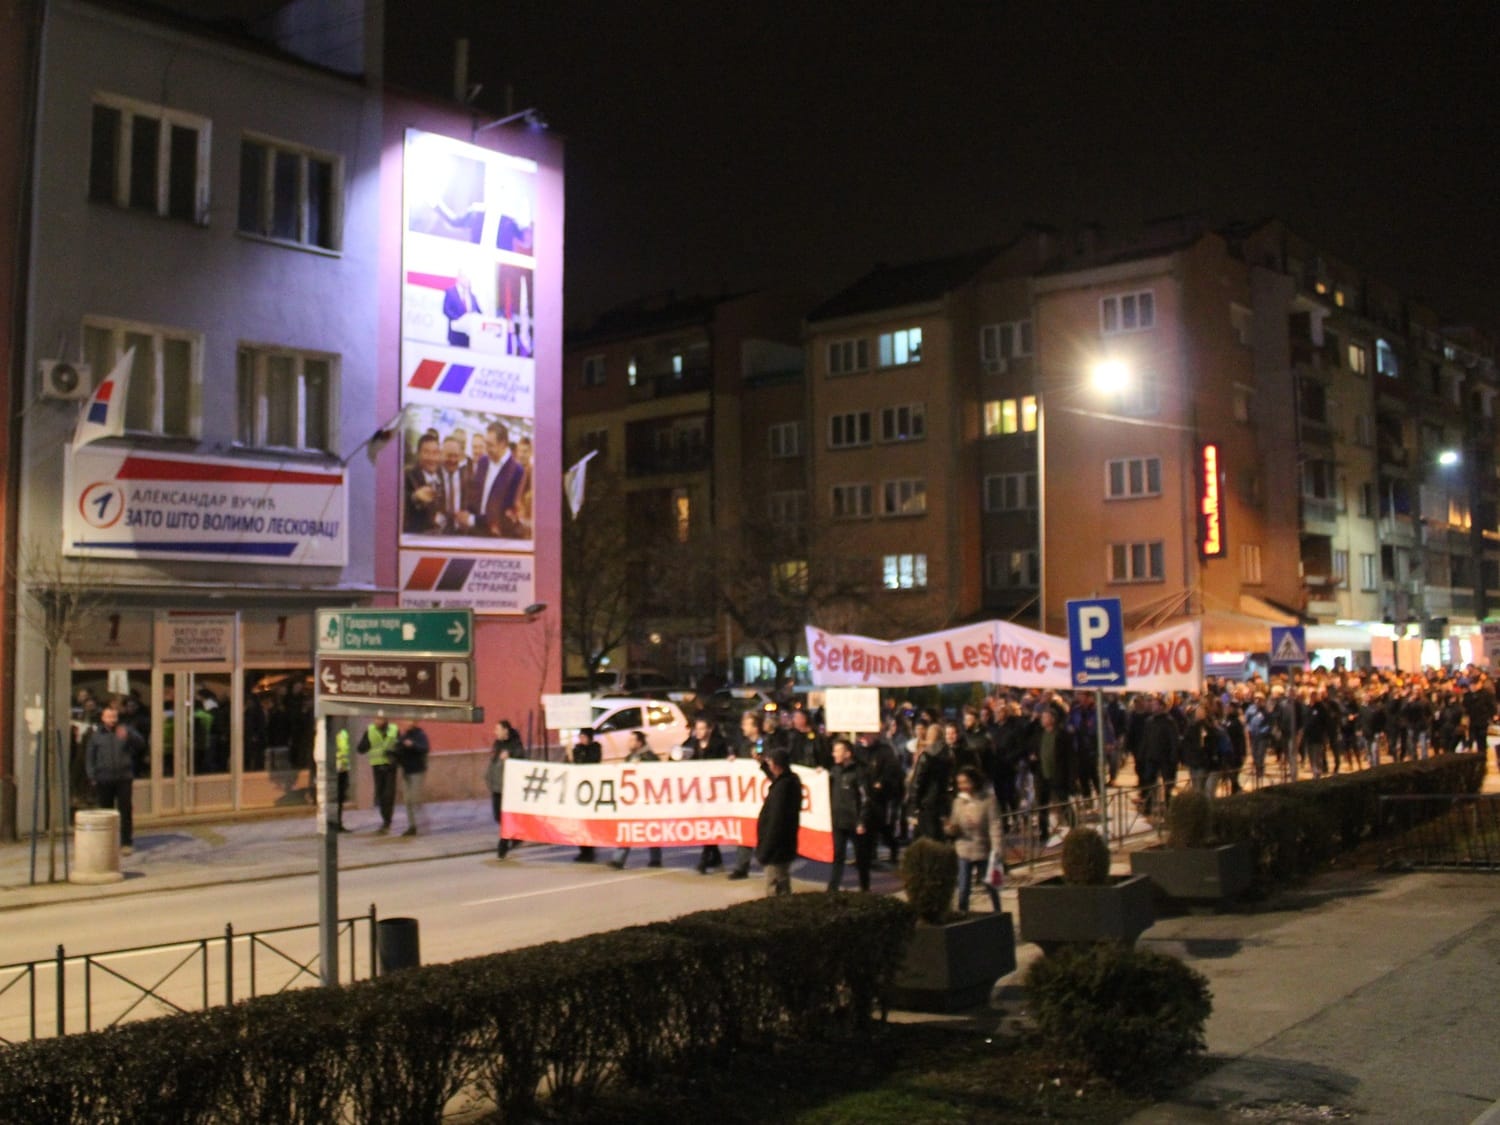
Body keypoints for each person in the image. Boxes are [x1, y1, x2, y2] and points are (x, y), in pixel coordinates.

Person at [85, 705, 144, 854]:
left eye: (114, 717)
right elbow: (90, 757)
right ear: (103, 718)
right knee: (106, 811)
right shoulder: (96, 735)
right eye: (109, 717)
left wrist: (129, 736)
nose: (112, 720)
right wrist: (92, 776)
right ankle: (108, 842)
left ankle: (126, 842)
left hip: (124, 777)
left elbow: (141, 744)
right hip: (104, 778)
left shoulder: (125, 730)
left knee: (125, 810)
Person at [944, 767, 1004, 913]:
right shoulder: (958, 802)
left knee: (990, 884)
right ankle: (962, 912)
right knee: (964, 887)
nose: (963, 786)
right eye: (960, 783)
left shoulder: (988, 800)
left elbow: (995, 825)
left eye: (966, 782)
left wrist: (997, 849)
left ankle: (998, 911)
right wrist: (950, 828)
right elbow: (954, 824)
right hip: (963, 849)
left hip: (982, 848)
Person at [681, 715, 729, 873]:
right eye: (697, 728)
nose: (699, 732)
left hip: (714, 792)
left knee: (710, 822)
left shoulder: (719, 745)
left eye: (702, 728)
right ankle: (716, 857)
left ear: (709, 729)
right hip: (698, 790)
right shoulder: (692, 744)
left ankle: (704, 860)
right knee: (704, 823)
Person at [461, 421, 526, 538]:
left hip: (498, 536)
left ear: (502, 444)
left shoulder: (516, 471)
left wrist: (473, 520)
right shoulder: (483, 462)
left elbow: (507, 512)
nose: (486, 449)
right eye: (486, 444)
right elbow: (476, 495)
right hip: (474, 532)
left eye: (490, 445)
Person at [609, 732, 663, 869]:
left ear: (639, 743)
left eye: (632, 740)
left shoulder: (650, 757)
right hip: (632, 800)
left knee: (651, 828)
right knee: (628, 827)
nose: (629, 743)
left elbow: (658, 773)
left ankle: (655, 858)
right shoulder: (629, 758)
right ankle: (618, 858)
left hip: (647, 799)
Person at [826, 738, 874, 892]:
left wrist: (862, 821)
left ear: (847, 753)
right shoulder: (835, 770)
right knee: (838, 856)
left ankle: (865, 888)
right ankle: (833, 887)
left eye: (837, 751)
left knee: (861, 858)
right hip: (838, 821)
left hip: (855, 823)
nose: (834, 754)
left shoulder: (859, 772)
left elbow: (866, 798)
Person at [755, 746, 801, 896]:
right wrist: (762, 765)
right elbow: (777, 776)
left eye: (770, 763)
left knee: (775, 886)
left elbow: (776, 821)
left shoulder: (782, 788)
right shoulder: (790, 781)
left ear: (776, 765)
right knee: (782, 881)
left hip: (776, 848)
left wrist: (765, 850)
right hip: (784, 845)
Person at [356, 711, 400, 834]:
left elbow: (399, 746)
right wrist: (365, 744)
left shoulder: (394, 729)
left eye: (380, 719)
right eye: (375, 719)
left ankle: (387, 821)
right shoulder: (370, 730)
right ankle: (384, 819)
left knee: (389, 794)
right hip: (377, 766)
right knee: (381, 794)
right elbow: (361, 748)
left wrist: (394, 753)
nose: (377, 721)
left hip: (390, 766)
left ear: (386, 719)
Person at [487, 718, 526, 857]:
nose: (495, 732)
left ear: (505, 730)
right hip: (496, 786)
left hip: (508, 787)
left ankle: (503, 845)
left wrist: (510, 756)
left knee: (505, 817)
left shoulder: (515, 744)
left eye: (497, 729)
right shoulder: (497, 743)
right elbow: (493, 761)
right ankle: (515, 837)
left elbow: (521, 756)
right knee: (498, 816)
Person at [404, 432, 448, 534]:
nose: (432, 458)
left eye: (435, 453)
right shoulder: (408, 476)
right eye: (426, 452)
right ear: (418, 454)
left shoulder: (444, 476)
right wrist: (414, 497)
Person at [570, 727, 603, 861]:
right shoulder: (577, 749)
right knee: (580, 822)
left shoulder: (595, 748)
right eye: (580, 737)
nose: (581, 739)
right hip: (579, 788)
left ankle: (590, 849)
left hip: (591, 787)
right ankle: (583, 849)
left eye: (583, 737)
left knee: (589, 821)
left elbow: (592, 762)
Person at [396, 719, 430, 836]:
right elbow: (399, 749)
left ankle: (422, 823)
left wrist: (412, 745)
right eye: (404, 721)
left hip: (417, 771)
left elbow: (424, 748)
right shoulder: (404, 736)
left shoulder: (420, 735)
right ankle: (412, 826)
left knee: (415, 799)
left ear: (414, 722)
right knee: (407, 800)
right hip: (406, 771)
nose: (404, 723)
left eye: (408, 721)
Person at [442, 267, 484, 346]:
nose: (468, 280)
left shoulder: (472, 296)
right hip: (456, 335)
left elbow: (479, 313)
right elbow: (446, 310)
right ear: (459, 278)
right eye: (465, 277)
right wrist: (460, 320)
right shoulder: (450, 292)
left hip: (471, 336)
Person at [440, 436, 473, 532]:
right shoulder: (435, 475)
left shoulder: (466, 476)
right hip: (438, 533)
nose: (453, 460)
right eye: (449, 455)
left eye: (456, 456)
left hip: (460, 532)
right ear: (441, 454)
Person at [334, 723, 351, 830]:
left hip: (343, 769)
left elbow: (345, 751)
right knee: (333, 799)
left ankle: (338, 823)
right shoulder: (327, 733)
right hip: (332, 770)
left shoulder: (344, 733)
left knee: (340, 798)